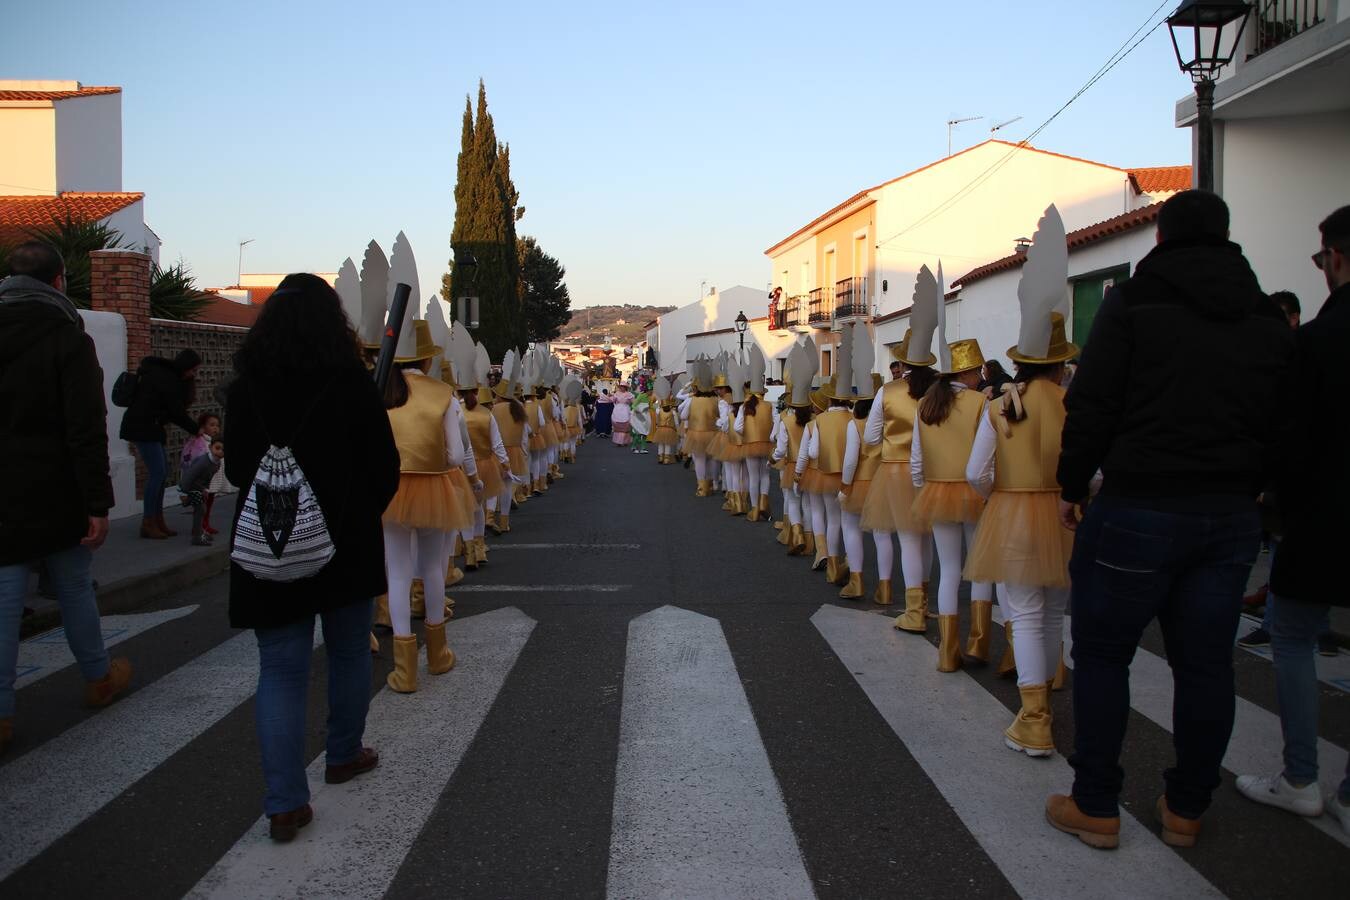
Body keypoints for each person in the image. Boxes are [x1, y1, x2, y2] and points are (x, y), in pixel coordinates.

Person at [1046, 191, 1294, 850]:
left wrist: (1073, 483)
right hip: (1230, 515)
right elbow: (1284, 420)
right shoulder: (1268, 320)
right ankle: (1186, 808)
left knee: (1102, 656)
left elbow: (1093, 403)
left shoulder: (1134, 305)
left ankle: (1096, 802)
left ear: (1160, 241)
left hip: (1140, 505)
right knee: (1206, 665)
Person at [225, 273, 400, 841]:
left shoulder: (243, 387)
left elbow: (234, 471)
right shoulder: (352, 383)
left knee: (279, 670)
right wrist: (355, 513)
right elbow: (382, 466)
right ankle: (343, 753)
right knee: (350, 651)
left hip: (268, 544)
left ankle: (284, 802)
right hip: (345, 543)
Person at [1235, 206, 1350, 833]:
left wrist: (1266, 498)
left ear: (1333, 258)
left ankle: (1302, 777)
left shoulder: (1317, 342)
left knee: (1293, 636)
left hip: (1323, 516)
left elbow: (1286, 436)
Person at [1, 241, 131, 755]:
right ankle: (98, 677)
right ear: (59, 281)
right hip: (57, 489)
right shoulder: (67, 336)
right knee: (75, 587)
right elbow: (85, 427)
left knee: (5, 598)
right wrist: (98, 504)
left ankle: (3, 714)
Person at [911, 338, 992, 671]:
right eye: (978, 370)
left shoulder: (926, 405)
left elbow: (916, 458)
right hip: (974, 491)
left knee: (948, 570)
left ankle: (948, 651)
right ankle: (979, 643)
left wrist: (923, 490)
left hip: (937, 491)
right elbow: (989, 456)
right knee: (980, 567)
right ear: (969, 372)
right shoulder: (979, 403)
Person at [120, 346, 202, 540]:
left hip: (149, 428)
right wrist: (195, 429)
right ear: (185, 366)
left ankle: (157, 520)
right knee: (158, 473)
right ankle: (149, 521)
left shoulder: (166, 376)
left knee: (161, 473)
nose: (193, 374)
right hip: (143, 427)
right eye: (193, 370)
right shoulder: (167, 379)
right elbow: (176, 411)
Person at [181, 413, 223, 534]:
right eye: (212, 425)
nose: (215, 428)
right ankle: (200, 527)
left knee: (209, 502)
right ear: (203, 427)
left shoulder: (214, 441)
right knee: (201, 504)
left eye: (217, 425)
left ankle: (205, 523)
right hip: (202, 482)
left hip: (211, 480)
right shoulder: (200, 443)